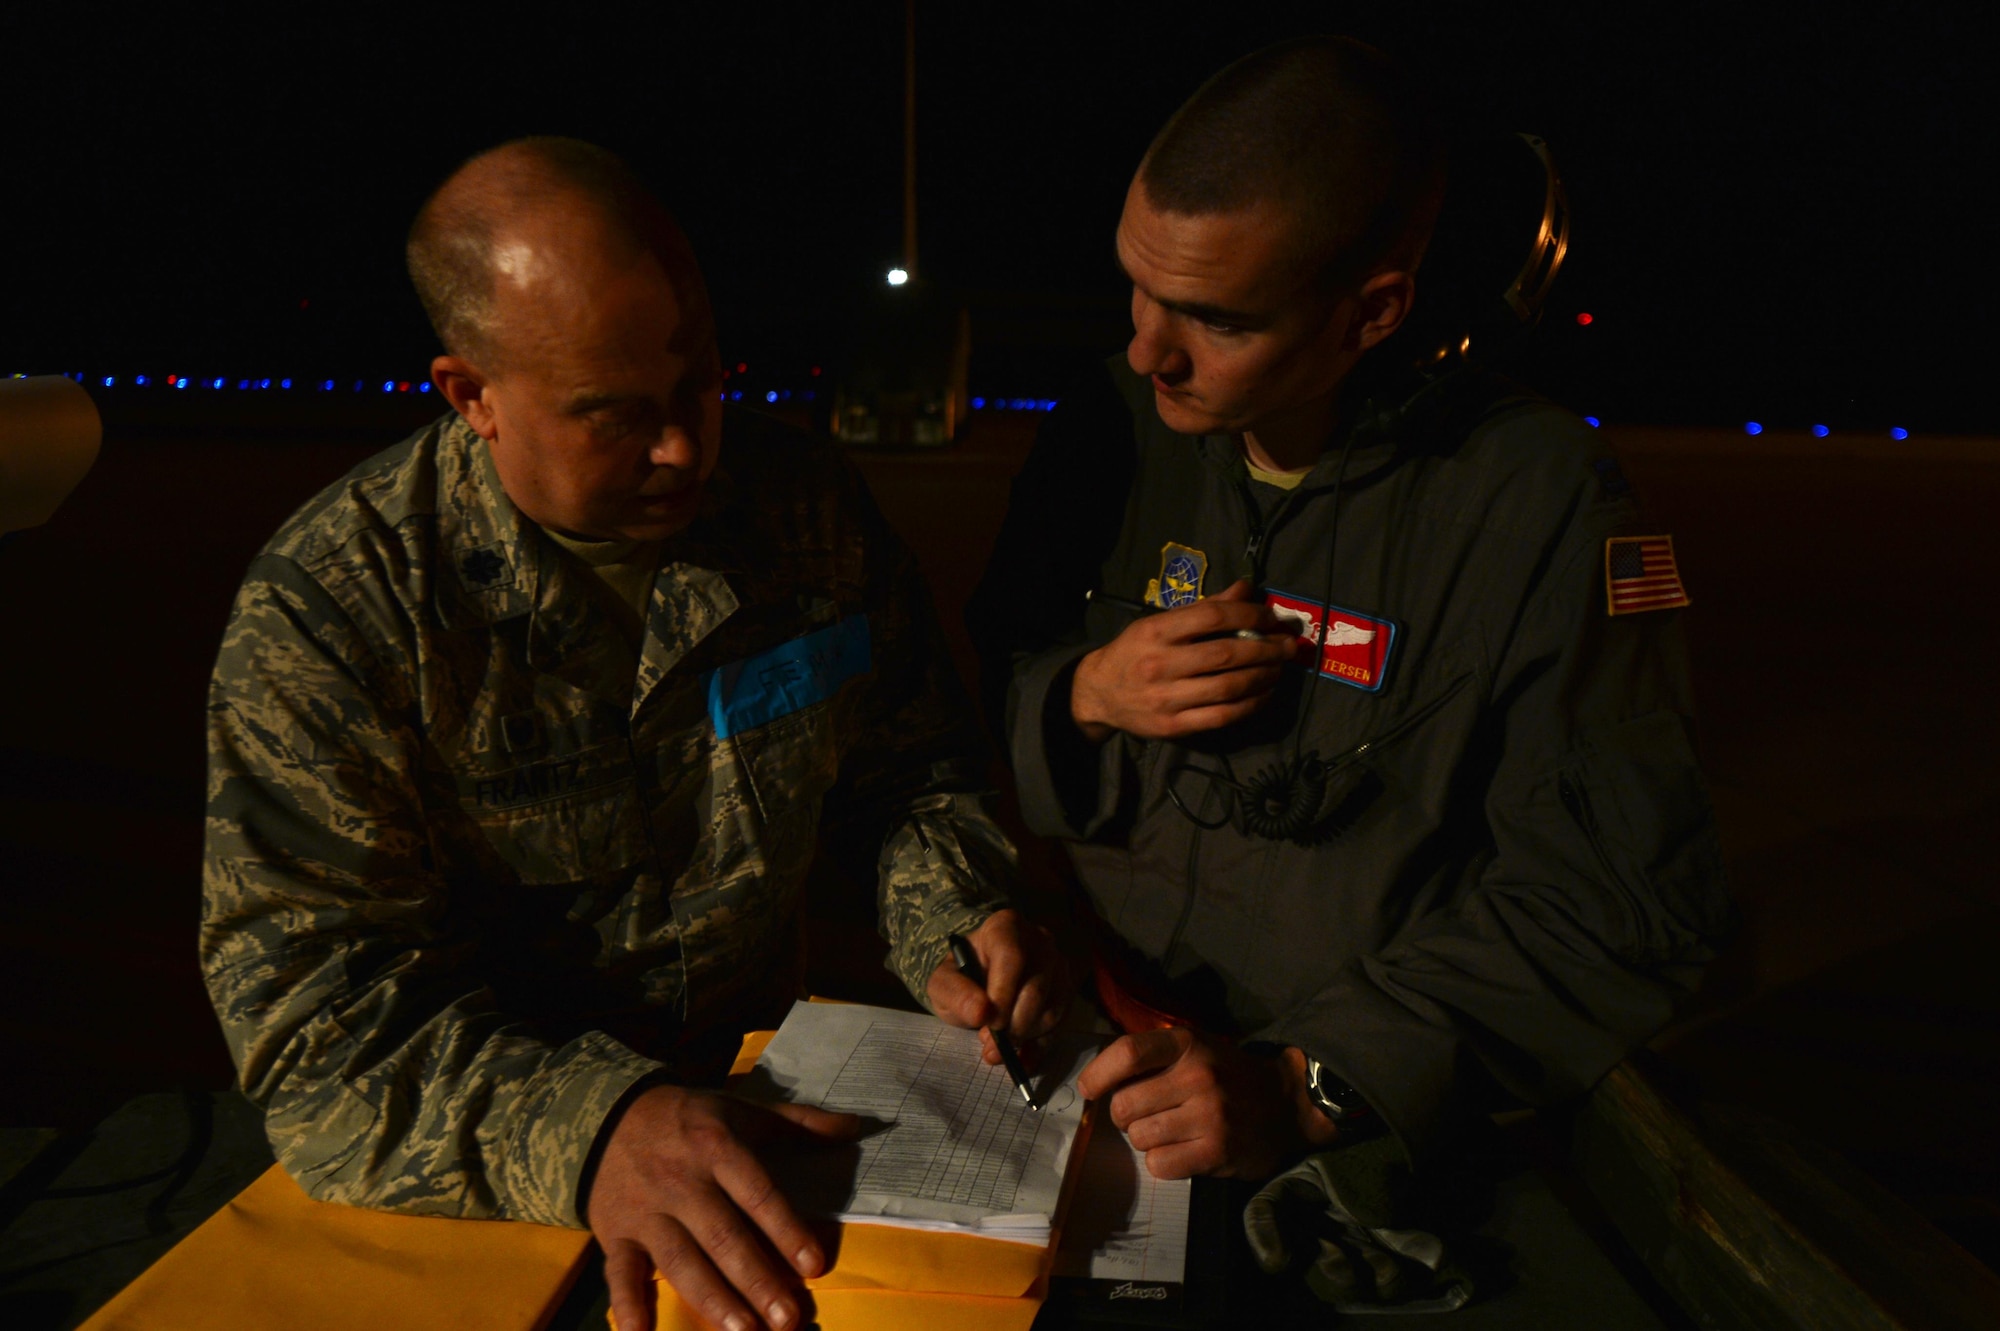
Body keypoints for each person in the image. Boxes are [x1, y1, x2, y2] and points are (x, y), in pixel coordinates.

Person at [200, 137, 1065, 1331]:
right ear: (471, 395)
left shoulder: (800, 508)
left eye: (699, 385)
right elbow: (315, 1028)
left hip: (771, 1130)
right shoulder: (338, 609)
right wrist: (596, 1125)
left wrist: (957, 915)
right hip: (488, 1187)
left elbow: (907, 771)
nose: (681, 450)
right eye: (613, 416)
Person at [969, 37, 1733, 1190]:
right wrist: (1080, 695)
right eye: (1137, 288)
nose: (1145, 349)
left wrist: (1314, 1081)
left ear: (1370, 312)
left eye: (1214, 319)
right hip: (1088, 1044)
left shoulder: (1533, 504)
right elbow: (977, 690)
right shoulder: (1110, 429)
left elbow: (1619, 902)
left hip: (1332, 1114)